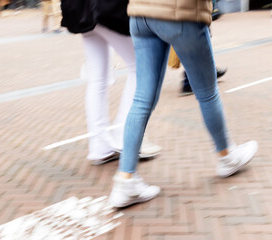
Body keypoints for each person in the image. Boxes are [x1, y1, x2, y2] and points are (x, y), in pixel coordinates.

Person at [109, 0, 258, 208]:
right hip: (180, 13)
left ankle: (125, 180)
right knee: (207, 93)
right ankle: (227, 157)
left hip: (141, 14)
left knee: (142, 99)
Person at [61, 0, 161, 165]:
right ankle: (124, 136)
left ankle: (99, 146)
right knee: (140, 67)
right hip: (107, 10)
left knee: (97, 79)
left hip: (81, 10)